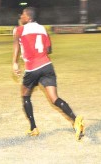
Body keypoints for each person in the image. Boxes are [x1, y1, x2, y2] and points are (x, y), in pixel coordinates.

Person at [12, 7, 84, 141]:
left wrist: (15, 62)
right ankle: (75, 120)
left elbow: (16, 43)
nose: (21, 16)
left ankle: (33, 127)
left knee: (25, 96)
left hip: (32, 68)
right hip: (47, 66)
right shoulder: (42, 29)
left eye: (22, 14)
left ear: (28, 17)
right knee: (54, 98)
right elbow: (49, 49)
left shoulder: (20, 29)